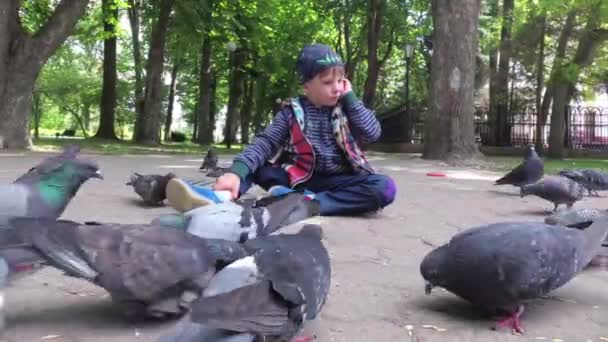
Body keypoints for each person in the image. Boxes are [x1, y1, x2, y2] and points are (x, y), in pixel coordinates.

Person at [165, 43, 396, 215]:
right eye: (327, 82)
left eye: (340, 80)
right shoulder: (292, 112)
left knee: (384, 188)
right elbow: (265, 143)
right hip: (298, 177)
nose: (336, 88)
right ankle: (221, 195)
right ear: (307, 87)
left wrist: (351, 98)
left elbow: (372, 132)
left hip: (337, 180)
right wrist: (236, 172)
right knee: (260, 165)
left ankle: (309, 203)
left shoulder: (348, 107)